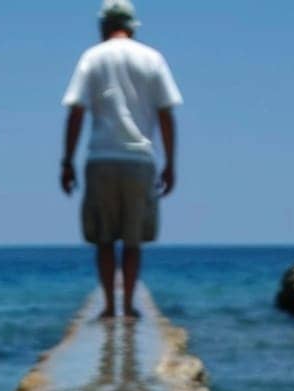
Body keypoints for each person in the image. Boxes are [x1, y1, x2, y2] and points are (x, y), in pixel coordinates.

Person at [60, 0, 182, 319]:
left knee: (103, 239)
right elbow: (166, 114)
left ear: (103, 26)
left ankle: (109, 306)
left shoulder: (92, 57)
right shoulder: (152, 59)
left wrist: (66, 161)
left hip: (100, 157)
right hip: (140, 159)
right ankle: (128, 305)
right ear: (132, 26)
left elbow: (76, 111)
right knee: (132, 239)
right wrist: (170, 163)